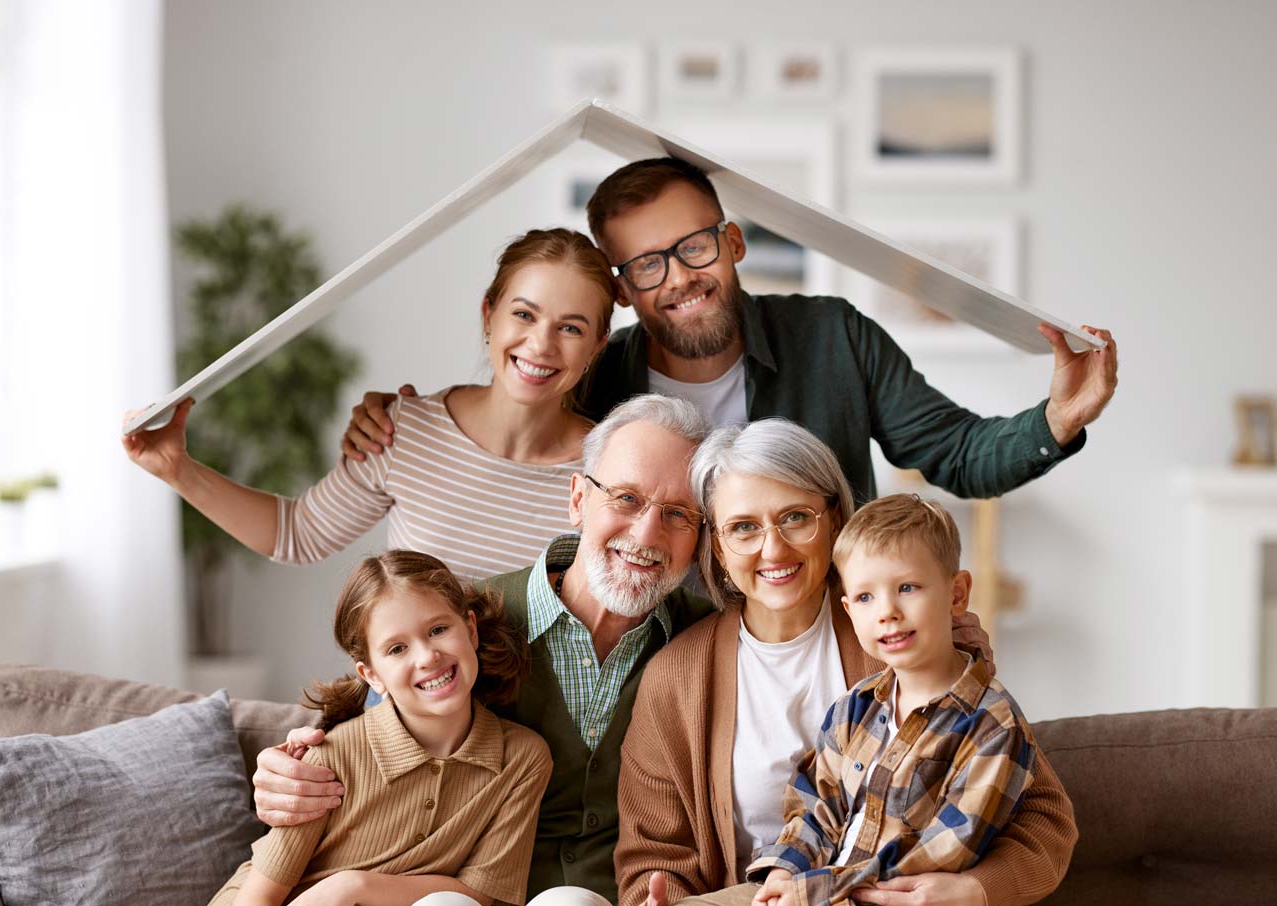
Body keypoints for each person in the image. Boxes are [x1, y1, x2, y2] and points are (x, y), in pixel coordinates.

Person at [338, 157, 1120, 504]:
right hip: (662, 660)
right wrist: (401, 424)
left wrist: (1055, 421)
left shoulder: (832, 337)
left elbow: (954, 453)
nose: (677, 277)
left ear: (733, 242)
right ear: (619, 290)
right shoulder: (597, 378)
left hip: (820, 631)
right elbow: (502, 432)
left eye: (693, 247)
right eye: (646, 265)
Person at [250, 395, 721, 901]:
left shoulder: (708, 645)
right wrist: (290, 769)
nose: (647, 532)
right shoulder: (463, 626)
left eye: (678, 514)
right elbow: (373, 714)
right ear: (578, 500)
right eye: (625, 498)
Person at [617, 423, 1073, 906]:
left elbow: (1045, 819)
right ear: (718, 549)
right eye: (744, 528)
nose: (773, 549)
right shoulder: (677, 679)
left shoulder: (903, 639)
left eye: (795, 517)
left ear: (834, 520)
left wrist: (976, 890)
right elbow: (653, 858)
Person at [125, 228, 616, 583]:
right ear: (489, 314)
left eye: (571, 327)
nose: (541, 344)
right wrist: (177, 469)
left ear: (598, 344)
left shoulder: (608, 472)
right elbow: (298, 534)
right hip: (400, 714)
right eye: (524, 314)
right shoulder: (405, 431)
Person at [206, 550, 603, 906]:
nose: (428, 656)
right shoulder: (330, 757)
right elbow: (258, 896)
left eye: (437, 630)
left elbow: (481, 894)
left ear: (471, 629)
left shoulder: (522, 758)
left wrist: (352, 887)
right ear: (372, 675)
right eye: (397, 649)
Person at [743, 494, 1065, 906]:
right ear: (848, 609)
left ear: (957, 595)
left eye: (907, 587)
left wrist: (814, 891)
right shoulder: (853, 707)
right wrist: (787, 869)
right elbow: (815, 807)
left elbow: (943, 853)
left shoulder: (992, 725)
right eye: (865, 597)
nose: (887, 611)